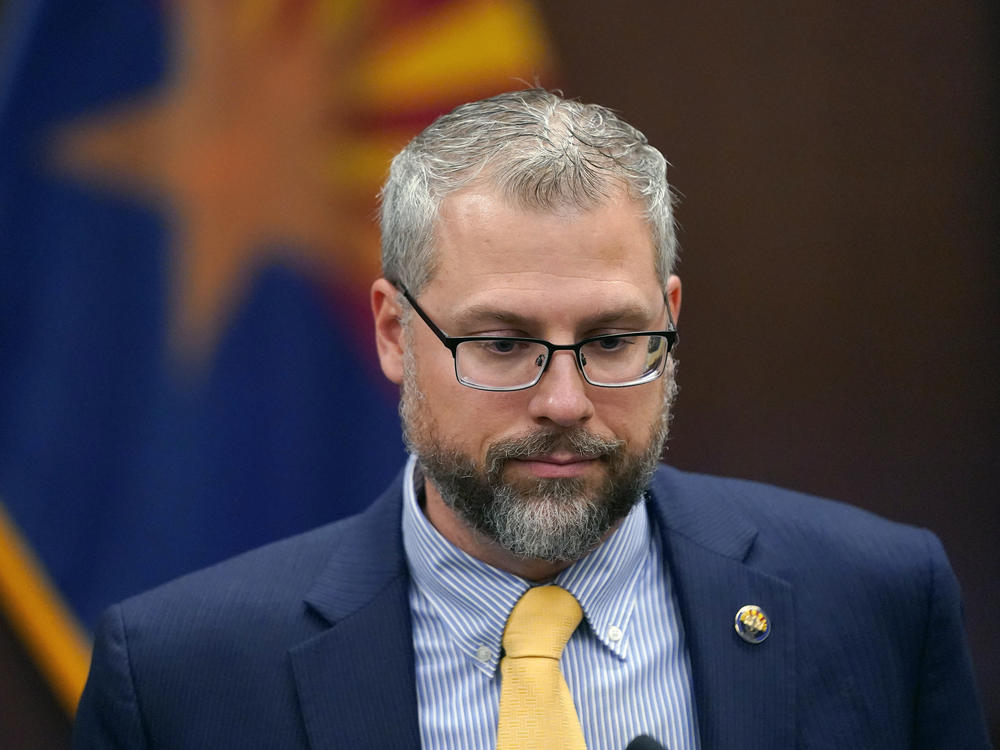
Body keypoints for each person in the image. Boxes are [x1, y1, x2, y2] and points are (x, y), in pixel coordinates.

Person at [73, 89, 990, 749]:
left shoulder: (874, 601)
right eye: (504, 344)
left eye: (614, 338)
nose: (564, 403)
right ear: (395, 333)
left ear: (669, 314)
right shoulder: (181, 677)